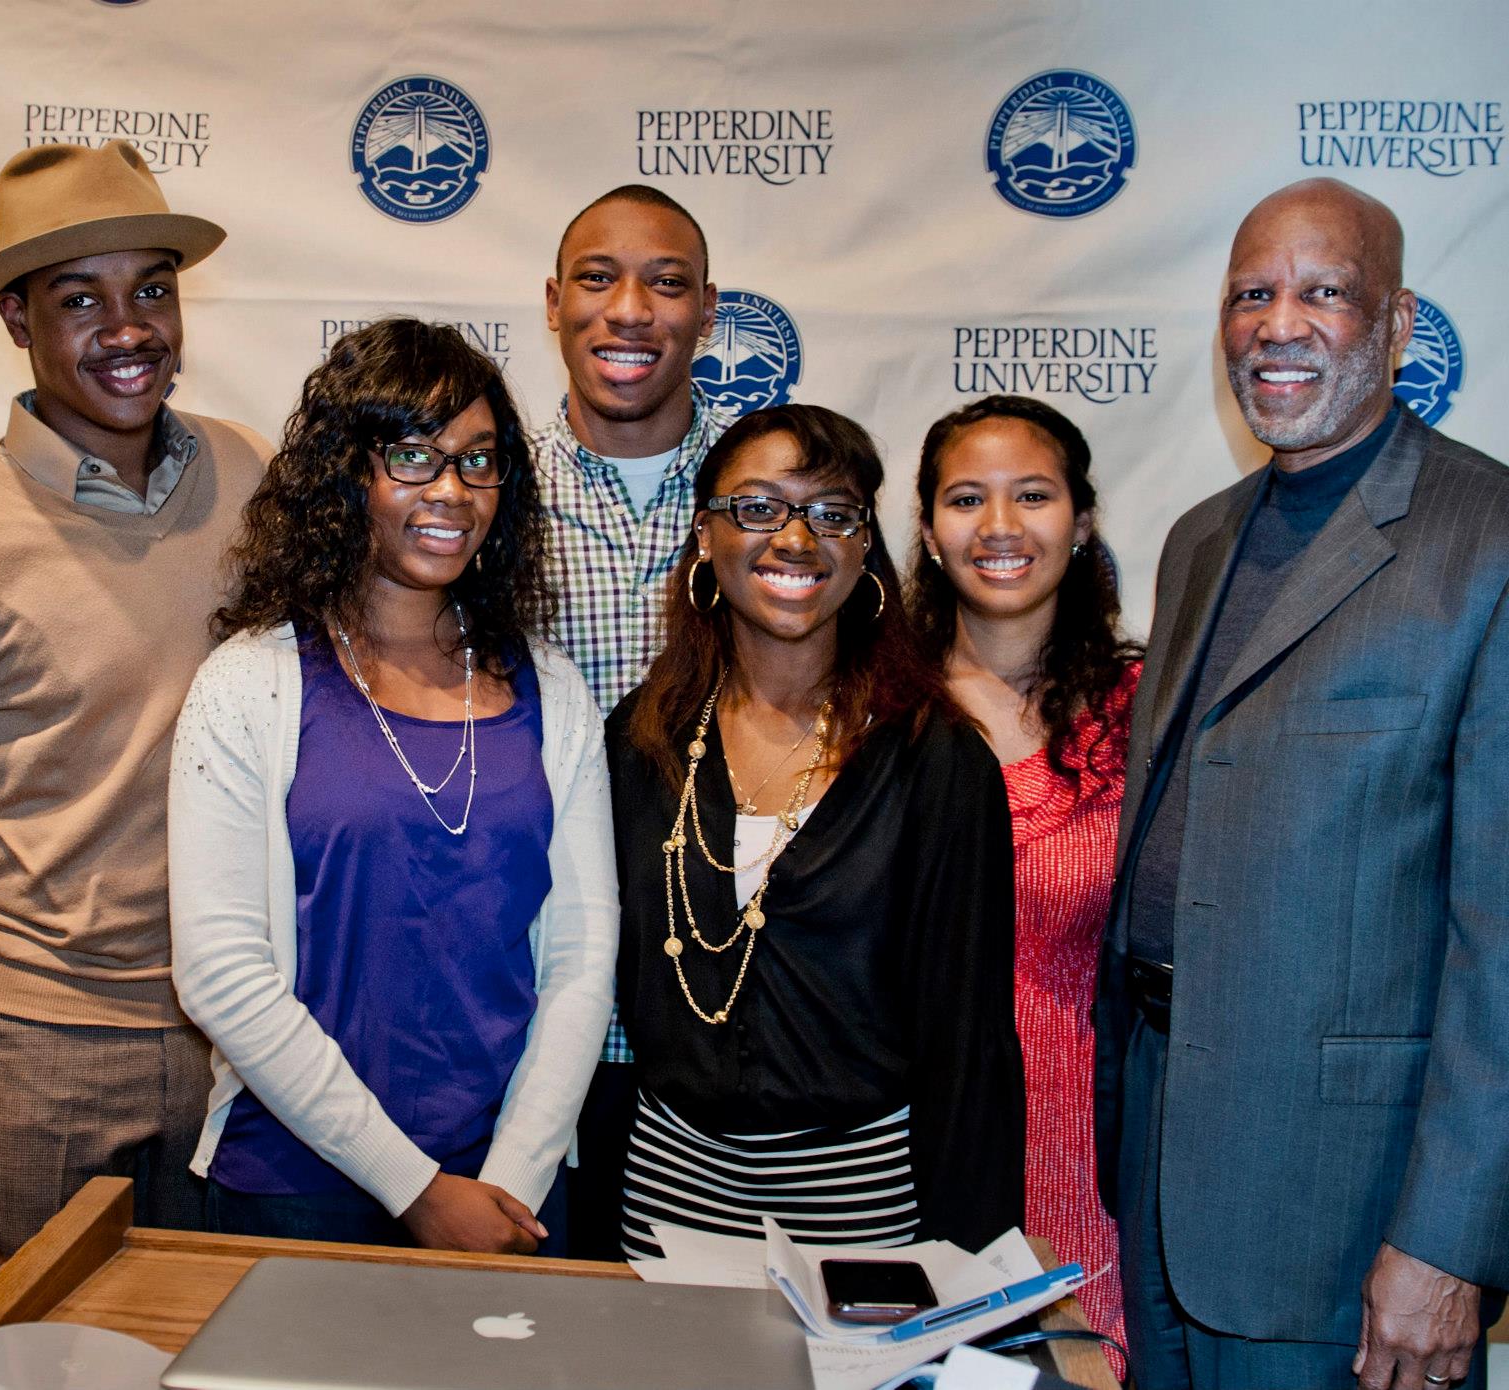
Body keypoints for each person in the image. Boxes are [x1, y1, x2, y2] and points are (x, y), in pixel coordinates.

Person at [1098, 177, 1509, 1390]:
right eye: (1249, 294)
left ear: (1393, 325)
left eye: (1322, 292)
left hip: (1345, 1204)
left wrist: (1447, 1237)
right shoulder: (1196, 539)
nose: (1278, 323)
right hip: (1164, 1154)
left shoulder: (1483, 538)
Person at [0, 141, 269, 1312]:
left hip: (238, 1052)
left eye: (151, 289)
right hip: (32, 1065)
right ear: (17, 321)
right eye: (80, 298)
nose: (127, 328)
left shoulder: (249, 481)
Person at [169, 318, 617, 1255]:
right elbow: (220, 972)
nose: (453, 490)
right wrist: (417, 1190)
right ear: (347, 473)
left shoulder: (551, 687)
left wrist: (508, 1183)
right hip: (294, 1186)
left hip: (511, 1193)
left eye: (480, 460)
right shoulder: (252, 682)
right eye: (414, 457)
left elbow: (580, 956)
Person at [609, 403, 1024, 1261]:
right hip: (668, 1194)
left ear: (865, 547)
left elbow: (969, 1048)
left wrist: (967, 1278)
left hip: (865, 1213)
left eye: (831, 513)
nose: (795, 538)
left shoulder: (938, 763)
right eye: (757, 508)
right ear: (704, 534)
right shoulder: (640, 743)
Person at [907, 394, 1140, 1353]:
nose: (999, 528)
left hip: (1100, 1148)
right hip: (907, 1142)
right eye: (967, 499)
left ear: (1082, 523)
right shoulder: (877, 715)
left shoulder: (1148, 710)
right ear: (926, 530)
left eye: (1033, 495)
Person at [534, 184, 732, 1256]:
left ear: (707, 309)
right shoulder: (484, 497)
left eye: (664, 282)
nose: (629, 309)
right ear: (553, 300)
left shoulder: (766, 496)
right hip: (530, 1016)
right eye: (598, 278)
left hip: (719, 1014)